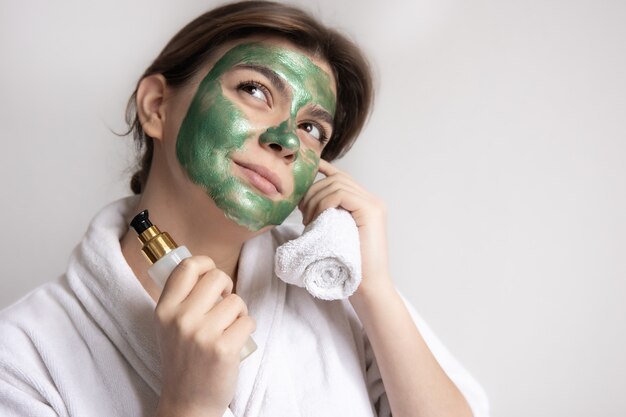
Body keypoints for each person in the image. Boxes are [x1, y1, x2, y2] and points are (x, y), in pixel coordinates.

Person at [0, 1, 489, 416]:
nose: (286, 142)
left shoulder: (334, 290)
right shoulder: (22, 355)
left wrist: (375, 292)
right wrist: (189, 405)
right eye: (255, 91)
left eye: (312, 130)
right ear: (156, 107)